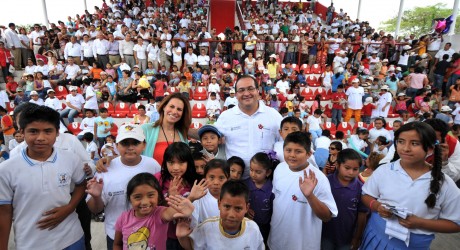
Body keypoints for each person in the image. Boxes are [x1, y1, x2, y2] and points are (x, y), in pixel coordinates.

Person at [361, 122, 460, 249]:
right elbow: (366, 195)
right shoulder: (384, 170)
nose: (406, 148)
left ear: (430, 148)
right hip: (375, 237)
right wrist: (376, 206)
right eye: (401, 141)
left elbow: (456, 223)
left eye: (414, 143)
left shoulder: (445, 183)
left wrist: (420, 223)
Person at [0, 105, 86, 249]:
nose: (41, 138)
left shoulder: (71, 158)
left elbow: (81, 184)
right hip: (31, 243)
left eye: (47, 131)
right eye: (33, 131)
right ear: (22, 131)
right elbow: (4, 213)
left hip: (72, 239)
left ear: (57, 133)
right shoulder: (6, 169)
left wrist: (70, 207)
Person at [86, 124, 161, 250]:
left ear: (144, 145)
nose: (130, 148)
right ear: (117, 145)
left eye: (136, 143)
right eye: (125, 143)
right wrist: (96, 196)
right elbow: (95, 209)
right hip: (116, 236)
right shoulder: (105, 169)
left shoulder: (153, 166)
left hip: (149, 233)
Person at [268, 132, 338, 250]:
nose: (292, 155)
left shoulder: (318, 178)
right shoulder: (279, 169)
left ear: (309, 153)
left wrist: (309, 196)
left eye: (298, 151)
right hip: (276, 241)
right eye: (288, 150)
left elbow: (327, 217)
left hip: (303, 245)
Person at [207, 75, 283, 179]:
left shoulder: (273, 115)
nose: (246, 93)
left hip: (265, 182)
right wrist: (183, 129)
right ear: (236, 94)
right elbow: (209, 134)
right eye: (241, 90)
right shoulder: (226, 116)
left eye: (250, 89)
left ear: (258, 90)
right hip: (235, 181)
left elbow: (286, 141)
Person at [113, 173, 195, 250]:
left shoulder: (160, 214)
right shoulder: (123, 218)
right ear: (129, 198)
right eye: (137, 197)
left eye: (150, 195)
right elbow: (117, 244)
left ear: (158, 196)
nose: (145, 202)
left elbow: (173, 211)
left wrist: (189, 199)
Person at [176, 180, 264, 250]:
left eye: (238, 208)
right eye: (227, 206)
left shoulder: (253, 229)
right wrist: (182, 237)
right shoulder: (207, 227)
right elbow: (192, 247)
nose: (231, 215)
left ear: (247, 208)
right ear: (219, 204)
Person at [153, 142, 198, 249]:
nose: (176, 168)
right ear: (165, 162)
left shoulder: (195, 181)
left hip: (190, 234)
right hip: (165, 235)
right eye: (171, 163)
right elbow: (153, 210)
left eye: (181, 162)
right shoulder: (157, 179)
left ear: (189, 163)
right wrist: (170, 196)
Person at [322, 149, 368, 250]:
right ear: (338, 165)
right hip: (324, 236)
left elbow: (362, 215)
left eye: (355, 169)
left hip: (347, 238)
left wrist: (357, 237)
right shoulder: (325, 182)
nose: (351, 172)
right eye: (347, 168)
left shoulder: (361, 189)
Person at [247, 152, 276, 245]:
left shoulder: (272, 189)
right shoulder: (244, 185)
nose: (253, 174)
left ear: (268, 172)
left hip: (265, 228)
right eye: (251, 170)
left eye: (258, 172)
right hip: (247, 226)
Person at [190, 159, 229, 228]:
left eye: (221, 178)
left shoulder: (233, 197)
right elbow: (193, 224)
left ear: (228, 179)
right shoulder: (198, 197)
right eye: (211, 177)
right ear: (205, 178)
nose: (216, 182)